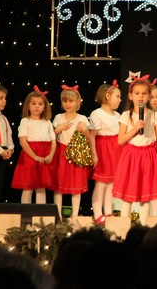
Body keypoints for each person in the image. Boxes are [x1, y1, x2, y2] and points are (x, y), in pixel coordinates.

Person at [113, 76, 157, 221]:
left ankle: (144, 225)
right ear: (130, 96)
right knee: (128, 194)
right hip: (131, 155)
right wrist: (135, 128)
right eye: (137, 93)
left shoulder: (155, 115)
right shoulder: (125, 115)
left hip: (148, 155)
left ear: (149, 96)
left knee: (145, 195)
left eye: (144, 93)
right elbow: (121, 140)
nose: (140, 97)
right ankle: (124, 226)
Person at [53, 84, 96, 219]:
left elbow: (89, 138)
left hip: (76, 153)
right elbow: (51, 136)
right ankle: (58, 215)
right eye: (65, 101)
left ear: (77, 102)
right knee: (58, 186)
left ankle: (75, 215)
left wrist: (85, 130)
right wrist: (59, 129)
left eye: (70, 101)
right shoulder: (58, 118)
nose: (67, 104)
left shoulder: (82, 118)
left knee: (76, 185)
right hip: (61, 152)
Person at [11, 86, 56, 205]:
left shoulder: (47, 122)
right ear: (28, 105)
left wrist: (50, 155)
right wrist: (34, 156)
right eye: (34, 103)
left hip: (44, 156)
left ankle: (41, 214)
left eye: (40, 104)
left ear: (45, 107)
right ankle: (25, 213)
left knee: (41, 187)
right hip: (30, 156)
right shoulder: (25, 121)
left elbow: (53, 141)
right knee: (28, 187)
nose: (37, 106)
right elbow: (23, 141)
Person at [89, 80, 122, 224]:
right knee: (101, 183)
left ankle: (108, 211)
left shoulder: (118, 115)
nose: (120, 100)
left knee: (110, 184)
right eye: (117, 96)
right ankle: (97, 213)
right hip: (103, 150)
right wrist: (94, 155)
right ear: (107, 96)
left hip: (115, 151)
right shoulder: (97, 114)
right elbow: (92, 136)